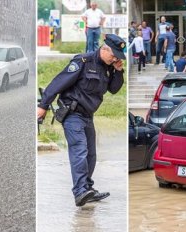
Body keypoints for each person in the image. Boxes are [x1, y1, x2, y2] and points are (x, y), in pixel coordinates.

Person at [37, 34, 126, 207]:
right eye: (113, 55)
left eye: (118, 57)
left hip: (87, 116)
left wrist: (119, 71)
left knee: (91, 155)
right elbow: (58, 83)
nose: (114, 58)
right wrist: (43, 106)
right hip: (72, 113)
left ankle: (87, 188)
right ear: (104, 48)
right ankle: (80, 192)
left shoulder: (109, 68)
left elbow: (114, 89)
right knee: (80, 151)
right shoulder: (83, 61)